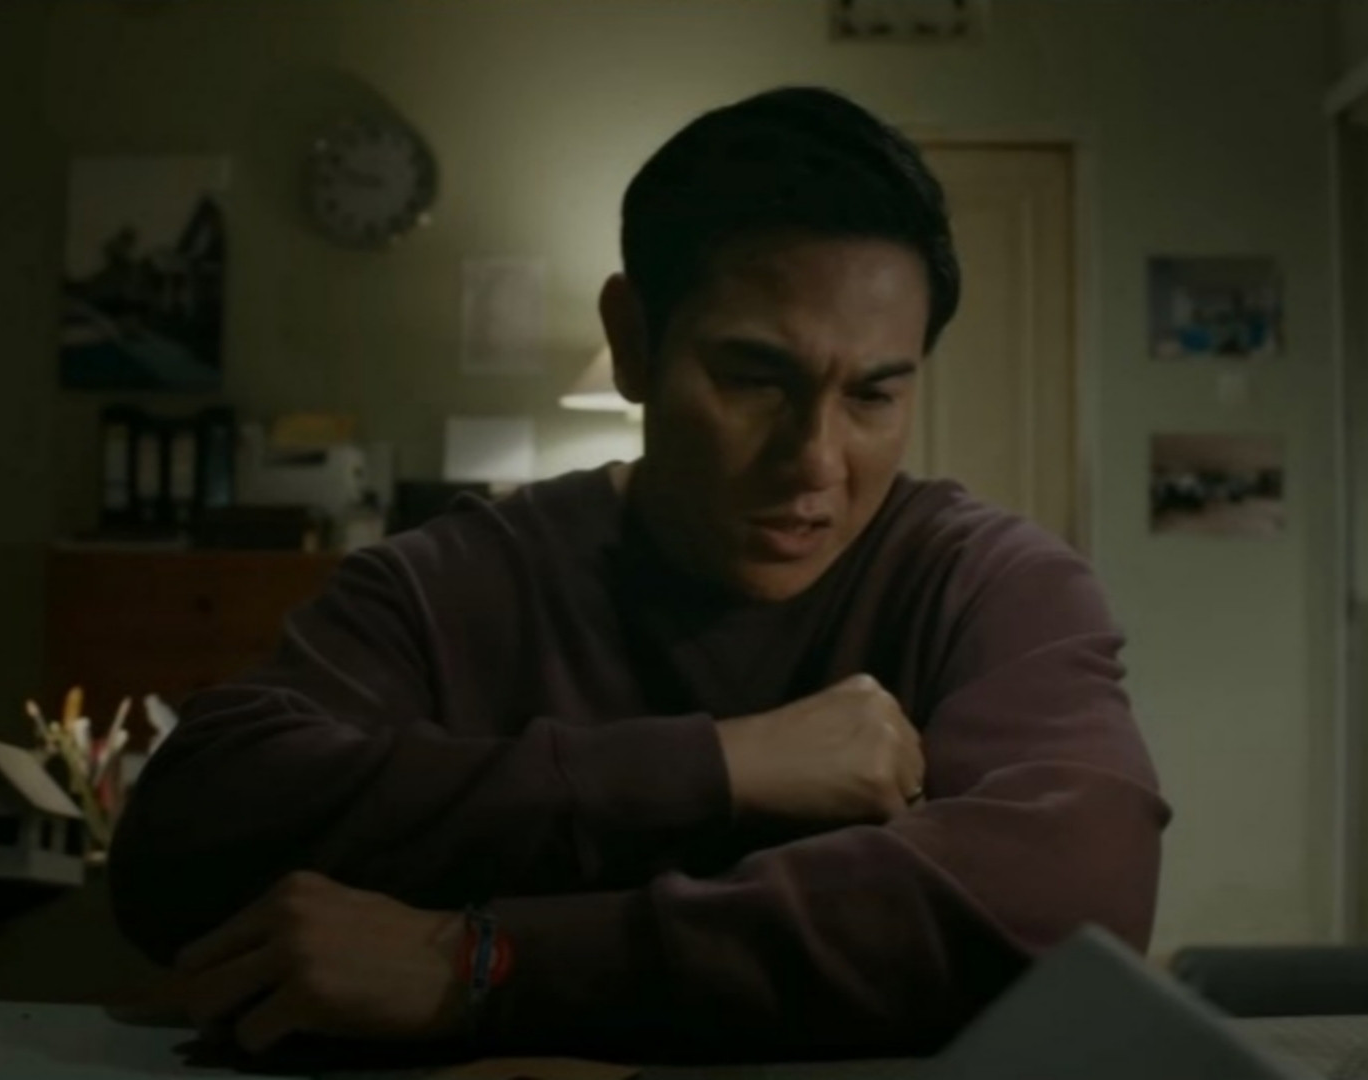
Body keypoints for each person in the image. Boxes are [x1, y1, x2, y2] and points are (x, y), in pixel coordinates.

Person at [108, 86, 1169, 1063]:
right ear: (631, 340)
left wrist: (484, 963)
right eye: (753, 378)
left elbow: (1065, 899)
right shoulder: (461, 579)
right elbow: (188, 840)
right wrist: (715, 766)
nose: (815, 461)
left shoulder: (990, 583)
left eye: (873, 397)